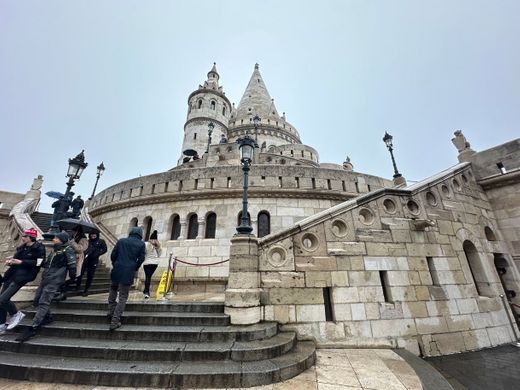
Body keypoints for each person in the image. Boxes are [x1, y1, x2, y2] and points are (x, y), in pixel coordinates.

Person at [15, 232, 76, 342]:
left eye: (56, 238)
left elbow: (72, 265)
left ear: (61, 239)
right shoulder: (55, 250)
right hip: (46, 278)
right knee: (37, 299)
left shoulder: (67, 250)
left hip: (55, 279)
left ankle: (33, 326)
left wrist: (71, 279)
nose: (54, 239)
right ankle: (47, 316)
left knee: (44, 301)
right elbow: (47, 263)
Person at [0, 228, 45, 335]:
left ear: (31, 238)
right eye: (23, 236)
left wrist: (21, 262)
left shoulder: (39, 248)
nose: (23, 237)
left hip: (22, 277)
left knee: (3, 299)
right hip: (11, 275)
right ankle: (1, 325)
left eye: (25, 236)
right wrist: (10, 262)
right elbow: (16, 260)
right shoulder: (22, 248)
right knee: (0, 301)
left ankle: (16, 314)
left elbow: (39, 263)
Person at [108, 227, 145, 330]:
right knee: (123, 297)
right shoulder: (141, 244)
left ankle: (111, 312)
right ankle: (114, 321)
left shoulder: (121, 241)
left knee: (113, 289)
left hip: (117, 268)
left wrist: (116, 264)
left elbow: (113, 255)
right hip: (129, 270)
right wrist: (134, 266)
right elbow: (141, 258)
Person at [76, 232, 107, 296]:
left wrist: (98, 253)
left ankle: (86, 290)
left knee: (90, 275)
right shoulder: (88, 241)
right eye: (92, 234)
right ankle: (77, 285)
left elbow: (104, 249)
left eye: (94, 234)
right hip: (85, 259)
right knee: (80, 273)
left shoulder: (101, 241)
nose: (93, 235)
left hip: (93, 261)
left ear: (97, 235)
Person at [142, 230, 162, 299]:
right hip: (155, 264)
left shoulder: (146, 244)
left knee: (148, 277)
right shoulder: (158, 246)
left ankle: (146, 292)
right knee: (148, 277)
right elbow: (159, 255)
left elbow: (143, 252)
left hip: (147, 263)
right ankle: (145, 290)